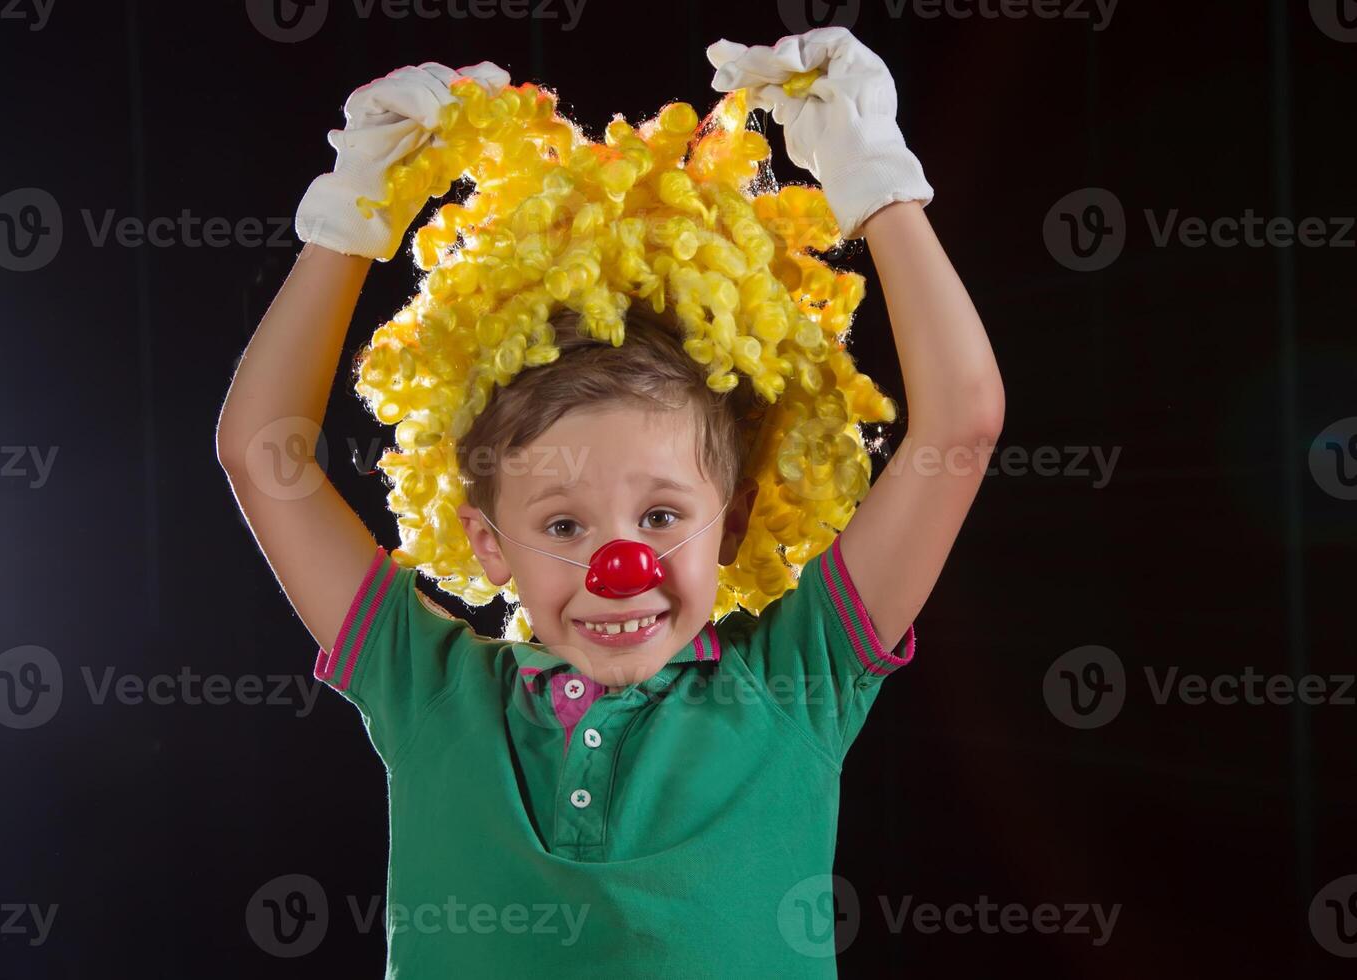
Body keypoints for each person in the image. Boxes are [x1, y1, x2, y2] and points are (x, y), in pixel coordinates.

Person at [217, 27, 1002, 977]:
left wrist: (878, 185)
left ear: (738, 521)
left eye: (662, 517)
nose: (617, 565)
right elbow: (262, 459)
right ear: (488, 543)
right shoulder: (429, 690)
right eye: (561, 525)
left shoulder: (797, 686)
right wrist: (347, 222)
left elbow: (959, 428)